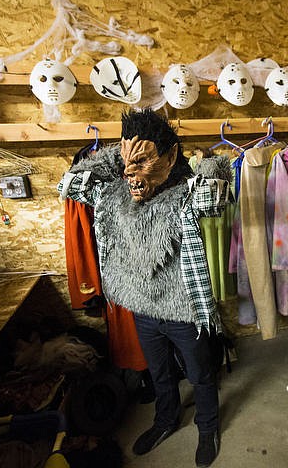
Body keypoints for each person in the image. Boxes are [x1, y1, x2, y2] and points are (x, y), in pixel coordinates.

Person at [58, 109, 231, 467]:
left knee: (200, 374)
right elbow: (70, 185)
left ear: (169, 157)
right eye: (125, 163)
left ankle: (208, 426)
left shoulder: (186, 194)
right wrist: (121, 155)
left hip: (182, 308)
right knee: (159, 372)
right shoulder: (115, 193)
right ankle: (166, 420)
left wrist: (202, 163)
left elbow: (216, 196)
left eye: (142, 161)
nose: (129, 173)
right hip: (142, 306)